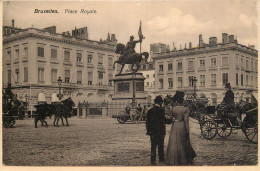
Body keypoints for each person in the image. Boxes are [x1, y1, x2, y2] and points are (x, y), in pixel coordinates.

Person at [166, 92, 196, 165]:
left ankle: (172, 159)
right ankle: (184, 159)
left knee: (174, 142)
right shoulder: (185, 109)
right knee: (183, 142)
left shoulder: (173, 109)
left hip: (175, 125)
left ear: (177, 101)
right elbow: (186, 121)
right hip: (182, 125)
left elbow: (170, 118)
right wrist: (187, 129)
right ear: (182, 102)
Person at [146, 96, 166, 165]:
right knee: (161, 146)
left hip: (153, 132)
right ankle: (161, 159)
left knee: (153, 147)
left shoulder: (150, 111)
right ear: (160, 102)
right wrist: (171, 120)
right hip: (160, 131)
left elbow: (147, 122)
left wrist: (148, 131)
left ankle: (153, 161)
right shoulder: (161, 111)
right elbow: (164, 120)